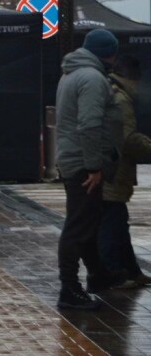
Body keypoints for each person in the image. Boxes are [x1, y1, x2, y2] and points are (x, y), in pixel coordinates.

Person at [54, 28, 120, 311]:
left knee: (87, 220)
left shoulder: (71, 73)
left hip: (73, 157)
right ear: (109, 54)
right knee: (78, 226)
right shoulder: (92, 78)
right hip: (83, 162)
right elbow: (90, 125)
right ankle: (70, 289)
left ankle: (98, 275)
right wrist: (94, 166)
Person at [99, 55, 151, 289]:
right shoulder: (122, 99)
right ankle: (110, 273)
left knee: (118, 222)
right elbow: (128, 140)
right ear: (132, 78)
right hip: (113, 171)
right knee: (112, 223)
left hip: (110, 170)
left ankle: (131, 270)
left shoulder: (113, 92)